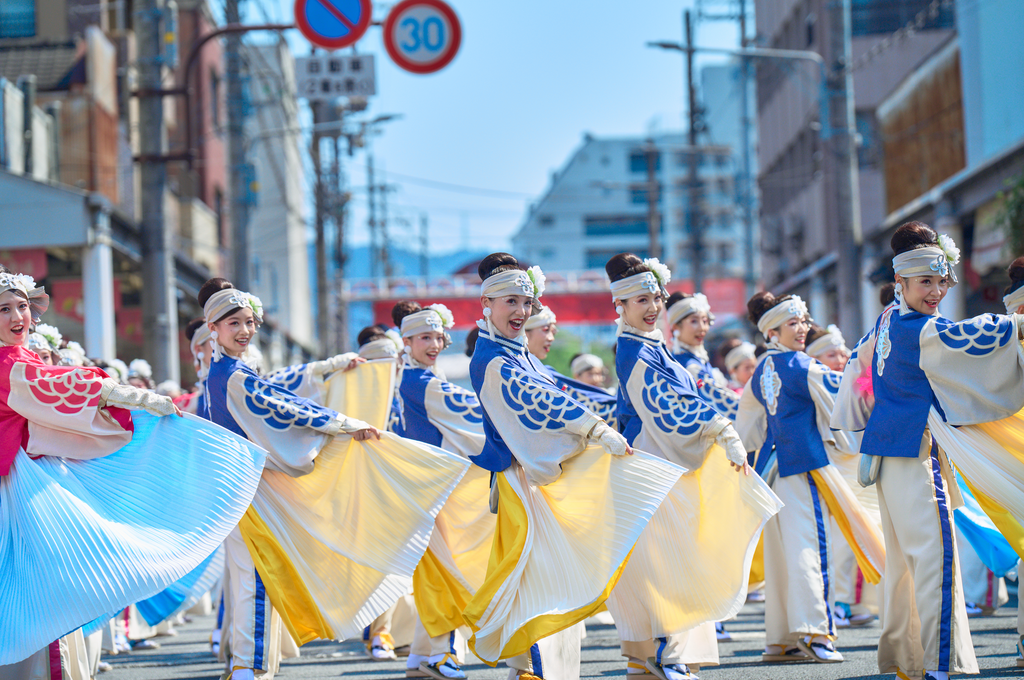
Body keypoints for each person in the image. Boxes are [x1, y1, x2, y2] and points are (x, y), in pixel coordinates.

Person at [200, 278, 469, 680]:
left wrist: (329, 373)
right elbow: (283, 405)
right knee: (256, 580)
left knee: (253, 577)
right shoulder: (231, 376)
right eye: (233, 323)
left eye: (249, 322)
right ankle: (247, 666)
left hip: (247, 486)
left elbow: (279, 392)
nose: (245, 330)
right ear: (213, 329)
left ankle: (248, 663)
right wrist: (342, 423)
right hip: (253, 490)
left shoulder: (226, 373)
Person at [0, 267, 265, 673]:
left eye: (22, 306)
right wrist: (136, 397)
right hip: (17, 489)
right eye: (5, 310)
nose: (19, 317)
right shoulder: (10, 364)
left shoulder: (20, 358)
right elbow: (65, 384)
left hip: (31, 477)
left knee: (42, 593)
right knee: (35, 594)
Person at [463, 254, 682, 680]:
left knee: (543, 578)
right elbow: (538, 400)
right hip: (521, 479)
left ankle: (529, 671)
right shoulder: (491, 358)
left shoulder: (515, 352)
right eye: (511, 302)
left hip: (537, 477)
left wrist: (599, 422)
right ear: (485, 304)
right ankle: (531, 671)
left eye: (527, 304)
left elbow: (559, 393)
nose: (522, 312)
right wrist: (595, 429)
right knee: (541, 578)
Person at [831, 222, 1024, 680]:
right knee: (937, 558)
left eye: (941, 281)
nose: (936, 291)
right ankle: (939, 664)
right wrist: (1018, 325)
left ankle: (909, 660)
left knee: (906, 561)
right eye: (925, 282)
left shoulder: (884, 324)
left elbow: (854, 378)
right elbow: (975, 339)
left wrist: (865, 418)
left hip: (887, 455)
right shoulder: (924, 330)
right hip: (915, 454)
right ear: (899, 283)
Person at [605, 253, 782, 680]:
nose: (651, 308)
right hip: (653, 460)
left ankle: (650, 656)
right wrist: (721, 428)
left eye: (655, 298)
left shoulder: (651, 346)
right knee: (668, 558)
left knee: (664, 557)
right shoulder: (633, 350)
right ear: (620, 308)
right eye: (640, 300)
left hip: (662, 457)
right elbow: (665, 404)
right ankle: (667, 653)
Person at [735, 291, 885, 665]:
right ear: (772, 330)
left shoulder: (762, 371)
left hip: (772, 471)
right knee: (814, 551)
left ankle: (781, 639)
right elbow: (847, 402)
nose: (802, 328)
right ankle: (817, 632)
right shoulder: (802, 365)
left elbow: (747, 430)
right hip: (805, 468)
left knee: (784, 555)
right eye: (793, 322)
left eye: (802, 321)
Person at [390, 301, 494, 680]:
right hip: (427, 488)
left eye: (437, 336)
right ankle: (440, 653)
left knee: (433, 570)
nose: (434, 343)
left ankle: (421, 655)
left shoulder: (406, 379)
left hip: (421, 486)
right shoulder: (421, 383)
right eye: (424, 337)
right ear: (406, 341)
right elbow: (474, 412)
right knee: (442, 572)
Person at [665, 292, 739, 421]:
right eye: (694, 321)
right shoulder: (686, 364)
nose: (702, 328)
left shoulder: (695, 359)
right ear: (676, 326)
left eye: (705, 321)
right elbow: (717, 398)